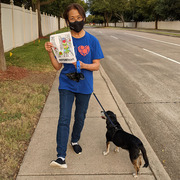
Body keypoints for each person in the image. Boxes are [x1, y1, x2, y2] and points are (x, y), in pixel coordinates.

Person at [44, 3, 104, 168]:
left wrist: (83, 65)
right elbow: (57, 67)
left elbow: (96, 65)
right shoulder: (62, 40)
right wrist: (50, 52)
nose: (76, 21)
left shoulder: (92, 40)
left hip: (85, 86)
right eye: (72, 18)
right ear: (67, 21)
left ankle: (75, 139)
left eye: (79, 18)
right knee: (64, 118)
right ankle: (60, 156)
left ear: (84, 18)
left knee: (80, 116)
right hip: (66, 84)